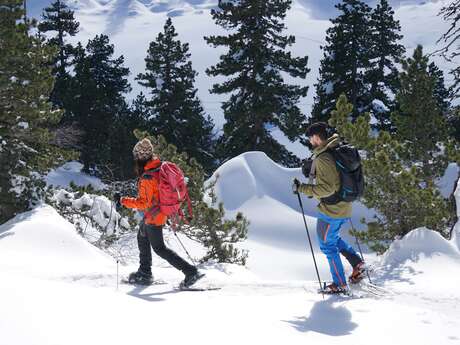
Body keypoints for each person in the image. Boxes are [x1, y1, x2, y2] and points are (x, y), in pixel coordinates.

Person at [118, 138, 203, 287]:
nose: (135, 159)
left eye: (136, 156)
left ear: (141, 157)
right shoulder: (159, 167)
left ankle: (190, 272)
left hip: (154, 216)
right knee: (142, 236)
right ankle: (144, 272)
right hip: (157, 213)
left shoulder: (148, 177)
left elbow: (143, 203)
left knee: (159, 248)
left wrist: (122, 200)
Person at [293, 122, 366, 294]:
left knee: (327, 245)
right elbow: (334, 179)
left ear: (317, 138)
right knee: (332, 238)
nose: (310, 142)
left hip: (331, 210)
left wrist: (303, 188)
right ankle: (357, 263)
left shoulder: (324, 158)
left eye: (311, 138)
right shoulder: (332, 151)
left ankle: (339, 283)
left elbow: (328, 188)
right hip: (342, 206)